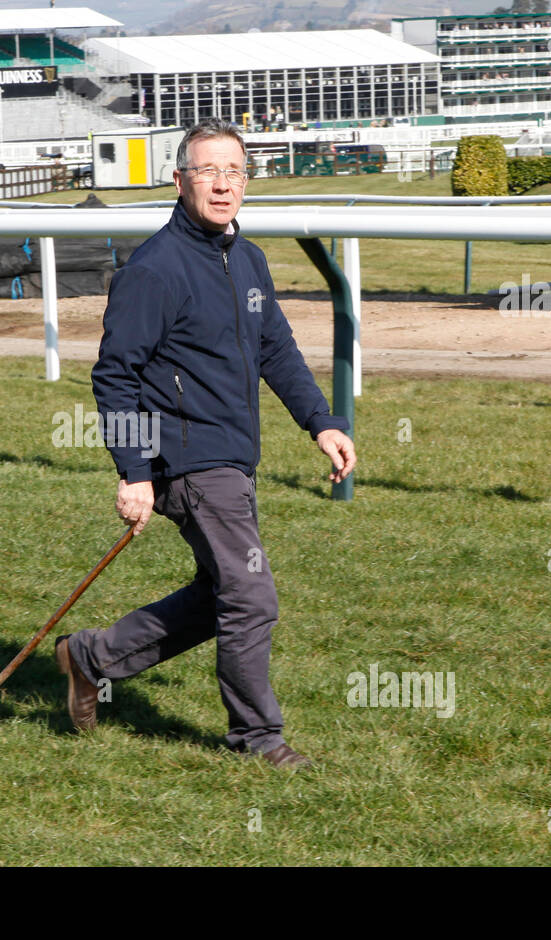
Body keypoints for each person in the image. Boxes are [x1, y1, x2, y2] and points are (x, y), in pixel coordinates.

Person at [55, 118, 356, 770]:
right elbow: (115, 374)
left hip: (235, 456)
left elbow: (274, 346)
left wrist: (321, 421)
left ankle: (90, 657)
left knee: (218, 595)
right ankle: (259, 739)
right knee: (251, 598)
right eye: (208, 171)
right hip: (189, 460)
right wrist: (135, 471)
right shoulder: (155, 269)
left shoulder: (247, 259)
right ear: (180, 179)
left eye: (234, 171)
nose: (223, 184)